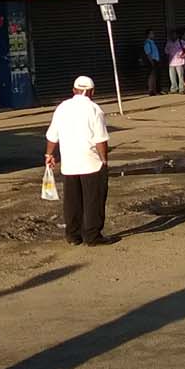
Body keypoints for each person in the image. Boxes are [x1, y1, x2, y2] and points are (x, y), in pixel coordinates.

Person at [44, 77, 114, 246]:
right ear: (92, 92)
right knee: (93, 199)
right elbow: (100, 140)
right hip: (91, 162)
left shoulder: (62, 108)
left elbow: (52, 136)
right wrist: (104, 160)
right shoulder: (94, 109)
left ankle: (73, 235)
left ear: (74, 90)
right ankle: (92, 235)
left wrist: (49, 155)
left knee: (72, 200)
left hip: (69, 163)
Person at [165, 30, 185, 94]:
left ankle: (181, 89)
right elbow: (166, 51)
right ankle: (174, 89)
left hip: (179, 62)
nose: (173, 36)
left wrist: (183, 55)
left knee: (180, 76)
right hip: (171, 62)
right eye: (172, 35)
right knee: (172, 77)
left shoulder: (181, 42)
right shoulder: (169, 43)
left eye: (174, 35)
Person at [141, 30, 163, 97]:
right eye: (152, 34)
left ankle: (157, 90)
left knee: (157, 76)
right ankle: (151, 90)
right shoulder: (147, 43)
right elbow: (148, 54)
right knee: (152, 76)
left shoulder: (152, 42)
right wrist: (151, 62)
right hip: (152, 61)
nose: (153, 35)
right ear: (148, 35)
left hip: (156, 61)